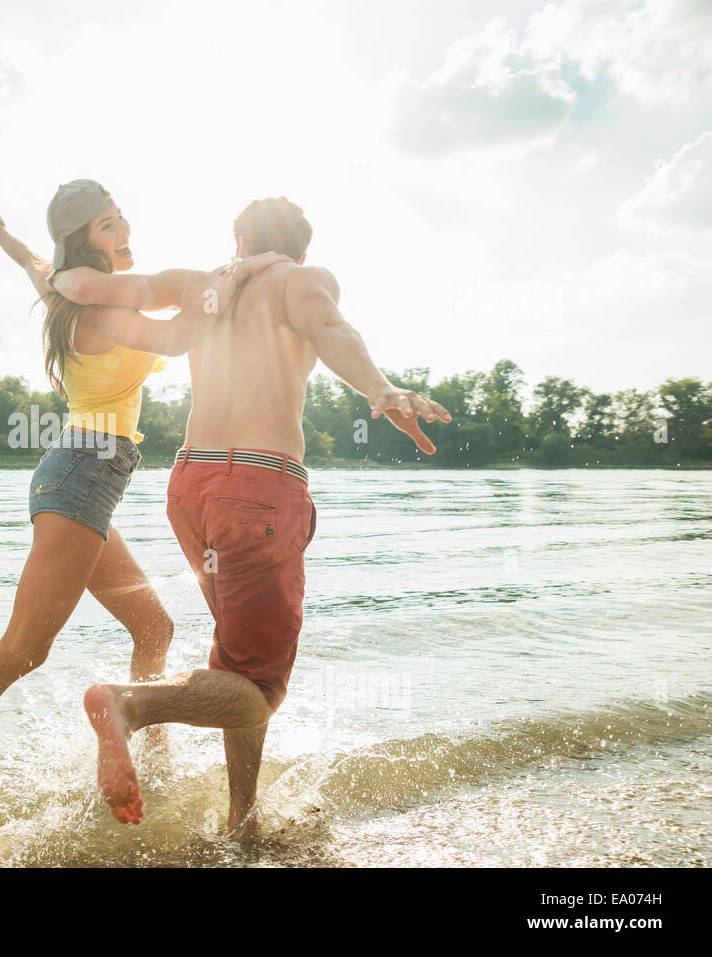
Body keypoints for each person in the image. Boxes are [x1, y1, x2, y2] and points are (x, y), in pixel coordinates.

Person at [0, 180, 281, 802]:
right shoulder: (97, 311)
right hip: (81, 474)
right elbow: (176, 338)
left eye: (121, 220)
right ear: (82, 243)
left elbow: (30, 261)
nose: (124, 233)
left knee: (153, 629)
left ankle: (148, 761)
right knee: (22, 649)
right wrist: (228, 279)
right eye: (107, 227)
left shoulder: (66, 288)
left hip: (87, 476)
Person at [55, 196, 451, 835]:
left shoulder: (198, 284)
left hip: (190, 485)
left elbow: (93, 289)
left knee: (237, 667)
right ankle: (126, 705)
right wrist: (380, 388)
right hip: (261, 488)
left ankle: (243, 816)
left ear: (237, 241)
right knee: (259, 687)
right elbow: (331, 331)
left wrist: (44, 266)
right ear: (302, 247)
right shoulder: (302, 280)